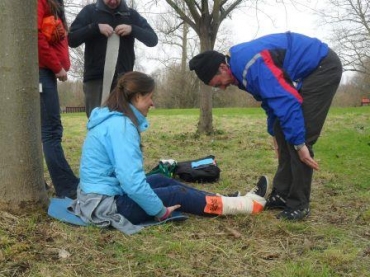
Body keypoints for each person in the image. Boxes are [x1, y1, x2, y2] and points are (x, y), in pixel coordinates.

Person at [69, 71, 269, 235]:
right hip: (105, 206)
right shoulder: (121, 126)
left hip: (99, 198)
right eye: (150, 97)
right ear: (138, 97)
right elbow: (132, 182)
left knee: (160, 180)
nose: (152, 103)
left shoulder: (114, 119)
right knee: (175, 194)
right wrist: (161, 211)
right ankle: (246, 205)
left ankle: (226, 198)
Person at [189, 32, 343, 220]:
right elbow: (270, 102)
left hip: (322, 67)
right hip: (309, 72)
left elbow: (286, 101)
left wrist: (301, 145)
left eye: (218, 83)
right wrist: (275, 136)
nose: (222, 88)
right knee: (284, 131)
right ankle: (281, 194)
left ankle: (299, 204)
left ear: (222, 67)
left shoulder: (251, 66)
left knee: (300, 134)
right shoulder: (238, 69)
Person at [68, 0, 158, 118]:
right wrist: (95, 28)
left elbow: (152, 40)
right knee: (97, 121)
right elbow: (71, 39)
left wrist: (132, 29)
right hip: (96, 80)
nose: (113, 1)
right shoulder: (89, 11)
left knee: (123, 121)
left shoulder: (131, 15)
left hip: (124, 82)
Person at [38, 0, 79, 198]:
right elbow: (36, 36)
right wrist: (57, 66)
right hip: (41, 71)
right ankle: (67, 187)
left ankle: (60, 183)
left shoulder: (53, 3)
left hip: (46, 72)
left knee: (49, 130)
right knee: (51, 131)